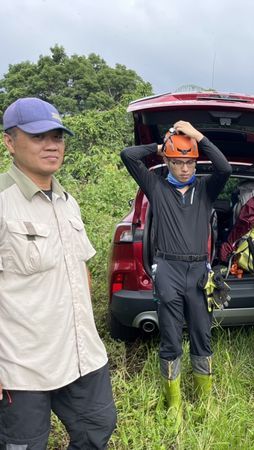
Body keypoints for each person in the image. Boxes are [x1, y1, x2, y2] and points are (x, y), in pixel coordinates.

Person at [0, 98, 116, 449]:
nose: (52, 145)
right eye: (38, 137)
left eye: (58, 136)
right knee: (26, 444)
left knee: (98, 426)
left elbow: (79, 267)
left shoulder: (69, 202)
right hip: (23, 365)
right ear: (9, 142)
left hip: (81, 355)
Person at [121, 121, 231, 421]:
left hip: (198, 269)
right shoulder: (155, 186)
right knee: (170, 337)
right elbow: (128, 155)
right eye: (178, 162)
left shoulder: (205, 188)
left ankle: (205, 402)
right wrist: (160, 147)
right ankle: (174, 407)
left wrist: (198, 136)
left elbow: (224, 168)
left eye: (190, 162)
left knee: (201, 335)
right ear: (167, 162)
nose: (184, 168)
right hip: (167, 267)